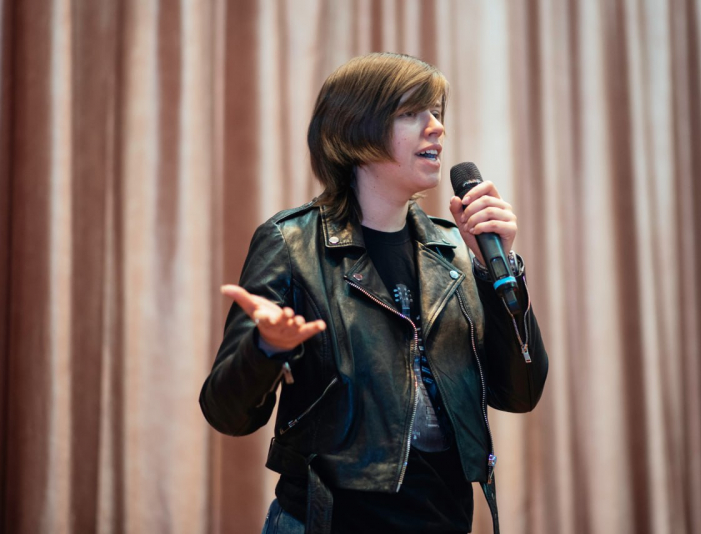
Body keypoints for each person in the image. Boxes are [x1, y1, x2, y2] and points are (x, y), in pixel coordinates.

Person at [199, 52, 548, 534]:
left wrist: (499, 269)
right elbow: (227, 413)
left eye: (436, 113)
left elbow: (521, 394)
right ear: (355, 130)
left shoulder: (453, 250)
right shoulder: (291, 244)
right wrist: (266, 348)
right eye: (411, 113)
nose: (437, 128)